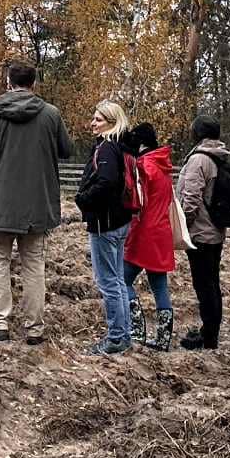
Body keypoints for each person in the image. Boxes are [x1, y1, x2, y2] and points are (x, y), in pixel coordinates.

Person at [0, 62, 76, 345]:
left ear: (8, 82)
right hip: (37, 205)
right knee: (34, 266)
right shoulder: (51, 115)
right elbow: (67, 150)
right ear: (34, 84)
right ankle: (34, 329)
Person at [75, 100, 134, 356]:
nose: (93, 123)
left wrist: (83, 198)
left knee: (108, 281)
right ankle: (124, 333)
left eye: (98, 119)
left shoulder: (108, 149)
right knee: (118, 279)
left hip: (105, 224)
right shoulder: (121, 148)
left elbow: (107, 182)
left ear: (111, 122)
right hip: (119, 222)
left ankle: (116, 337)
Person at [176, 116, 230, 350]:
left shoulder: (199, 159)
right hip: (216, 231)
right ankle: (210, 331)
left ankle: (208, 336)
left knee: (204, 285)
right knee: (212, 283)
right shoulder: (219, 157)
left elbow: (191, 198)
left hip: (201, 232)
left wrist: (183, 226)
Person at [120, 122, 177, 352]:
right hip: (162, 231)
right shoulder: (164, 167)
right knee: (159, 286)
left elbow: (135, 199)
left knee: (123, 280)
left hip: (144, 231)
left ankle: (137, 328)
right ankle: (163, 339)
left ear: (141, 142)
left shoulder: (144, 166)